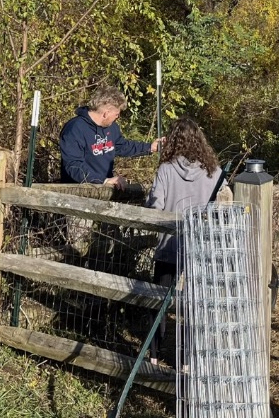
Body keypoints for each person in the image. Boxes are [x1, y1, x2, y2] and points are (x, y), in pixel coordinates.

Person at [144, 116, 229, 363]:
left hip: (168, 246)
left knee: (159, 299)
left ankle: (154, 354)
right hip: (198, 248)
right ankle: (189, 358)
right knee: (194, 305)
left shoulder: (166, 170)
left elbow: (155, 206)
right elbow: (221, 208)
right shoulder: (215, 173)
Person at [59, 84, 163, 188]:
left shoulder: (112, 127)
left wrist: (150, 147)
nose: (118, 117)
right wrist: (102, 181)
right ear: (105, 114)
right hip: (77, 191)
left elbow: (122, 147)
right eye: (117, 114)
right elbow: (73, 166)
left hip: (104, 189)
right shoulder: (74, 129)